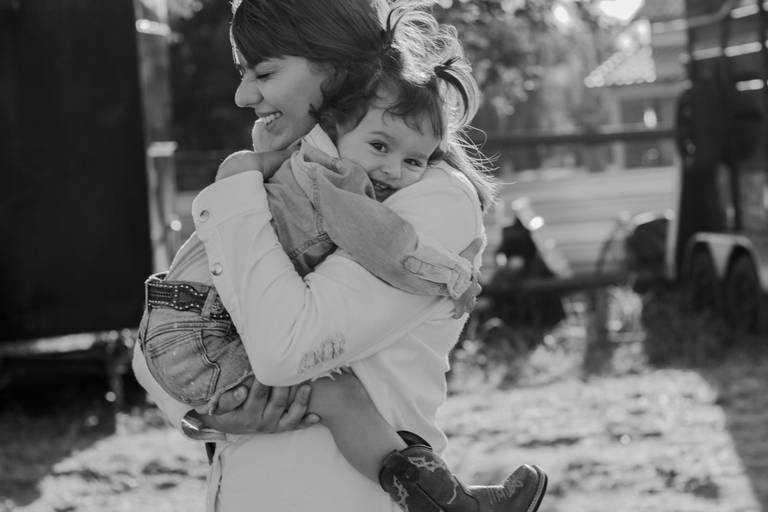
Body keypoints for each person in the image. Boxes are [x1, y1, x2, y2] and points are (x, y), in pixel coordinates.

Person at [132, 1, 548, 511]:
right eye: (243, 73)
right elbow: (160, 341)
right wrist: (207, 412)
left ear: (334, 71)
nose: (243, 95)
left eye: (264, 71)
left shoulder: (429, 197)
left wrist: (235, 191)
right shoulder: (292, 179)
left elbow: (286, 349)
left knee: (338, 395)